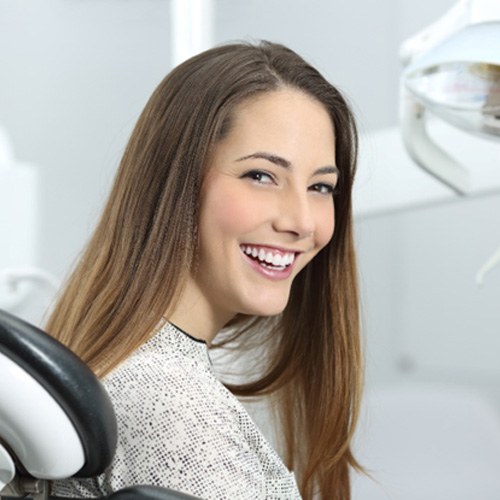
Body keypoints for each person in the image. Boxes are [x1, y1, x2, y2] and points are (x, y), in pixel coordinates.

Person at [48, 40, 363, 500]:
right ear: (175, 183)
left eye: (320, 186)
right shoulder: (170, 402)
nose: (300, 222)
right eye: (261, 175)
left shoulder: (137, 372)